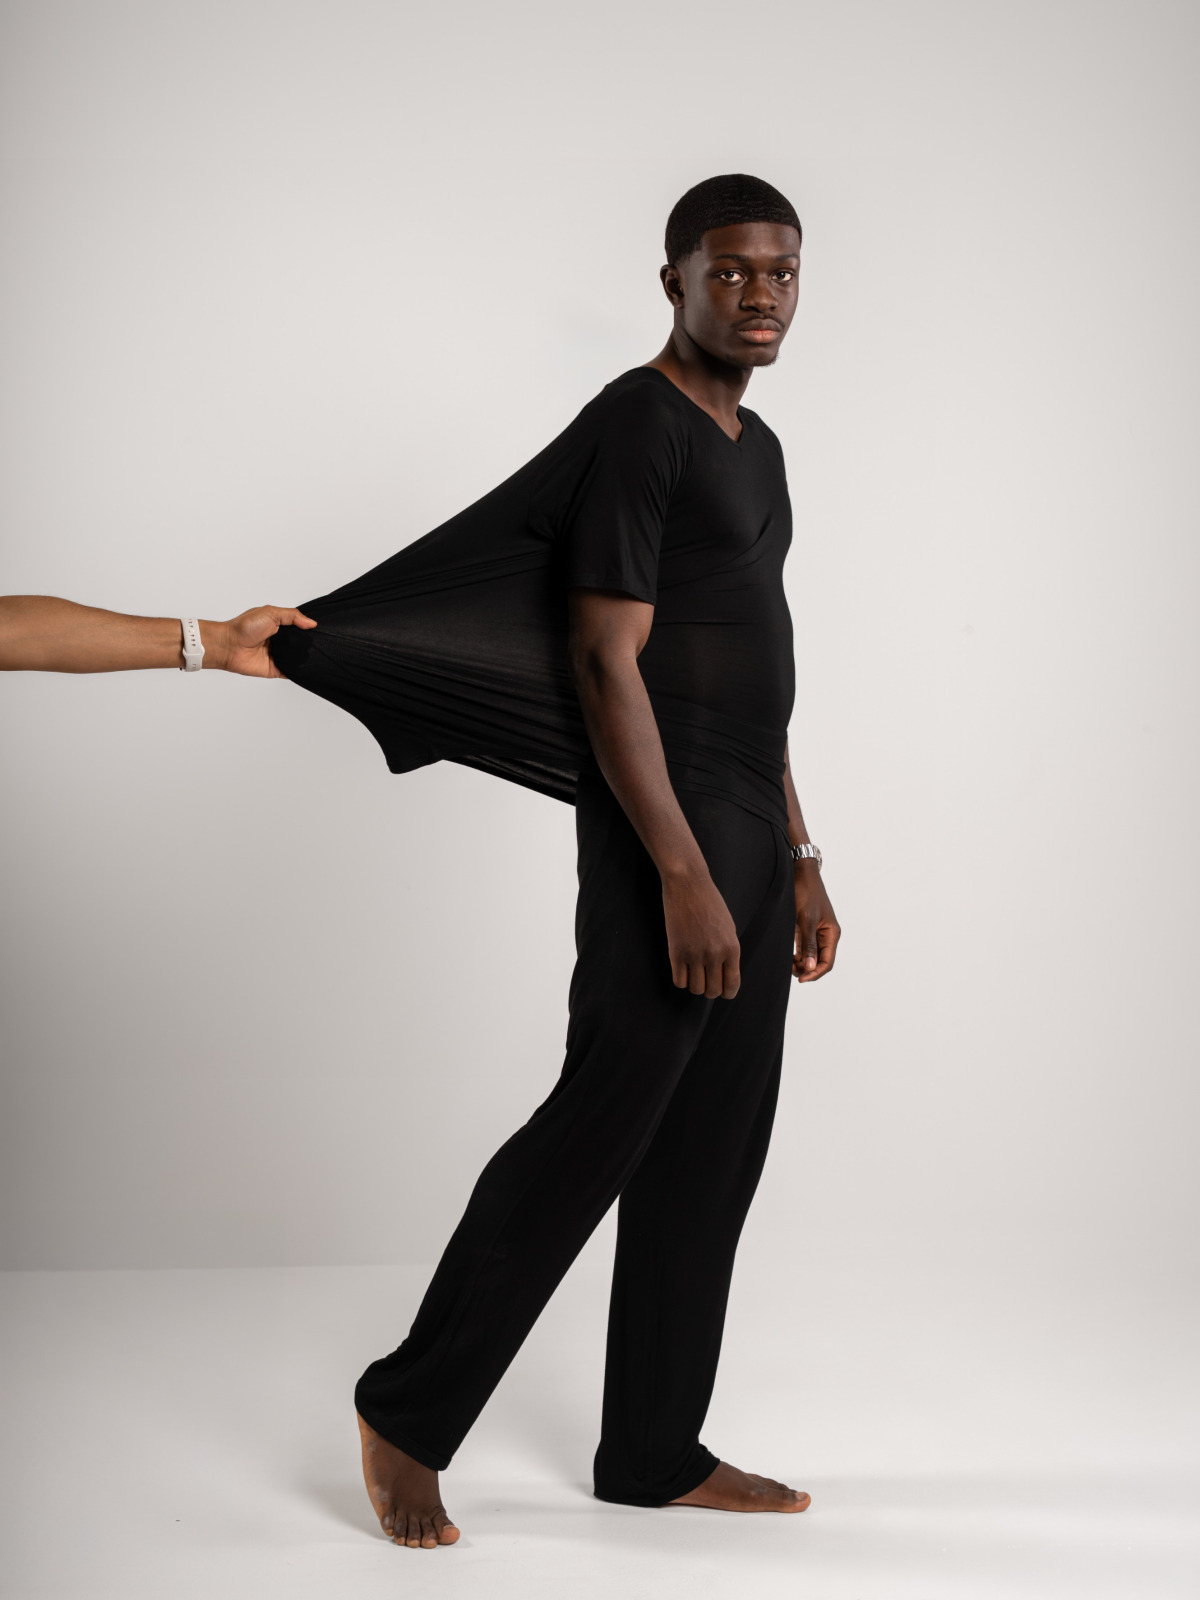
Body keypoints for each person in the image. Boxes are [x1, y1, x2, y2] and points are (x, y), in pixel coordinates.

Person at [0, 173, 841, 1548]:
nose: (760, 295)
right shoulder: (640, 424)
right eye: (731, 271)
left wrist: (798, 851)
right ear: (675, 280)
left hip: (750, 817)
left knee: (713, 1145)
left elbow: (759, 667)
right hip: (668, 820)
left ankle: (652, 1448)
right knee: (598, 1122)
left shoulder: (761, 449)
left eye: (782, 272)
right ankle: (408, 1408)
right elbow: (604, 661)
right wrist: (683, 871)